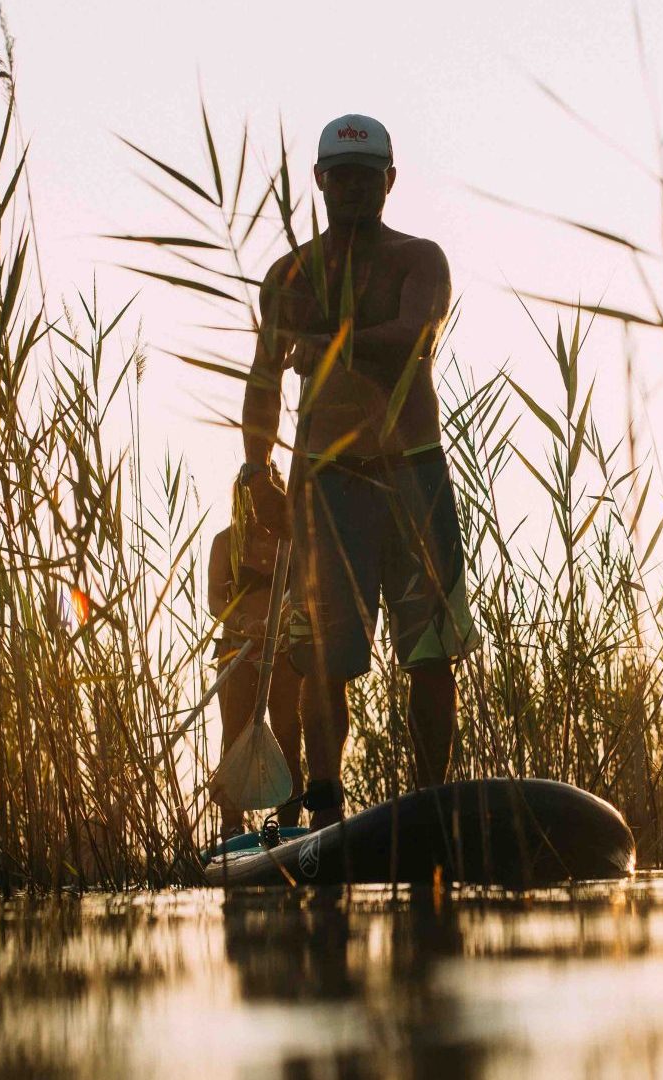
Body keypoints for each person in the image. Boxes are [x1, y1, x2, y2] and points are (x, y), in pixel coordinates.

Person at [239, 113, 479, 829]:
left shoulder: (419, 259)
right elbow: (264, 377)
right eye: (339, 176)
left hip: (412, 474)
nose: (351, 188)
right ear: (319, 180)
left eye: (366, 177)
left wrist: (327, 345)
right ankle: (324, 806)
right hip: (325, 482)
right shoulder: (287, 277)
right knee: (322, 658)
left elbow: (414, 335)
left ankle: (432, 801)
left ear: (389, 182)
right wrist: (256, 471)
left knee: (432, 653)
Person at [206, 469, 304, 835]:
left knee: (288, 734)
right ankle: (232, 831)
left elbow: (304, 591)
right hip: (238, 652)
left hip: (282, 652)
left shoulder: (290, 544)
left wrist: (282, 620)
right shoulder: (225, 542)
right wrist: (246, 622)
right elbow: (217, 599)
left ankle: (289, 827)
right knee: (233, 740)